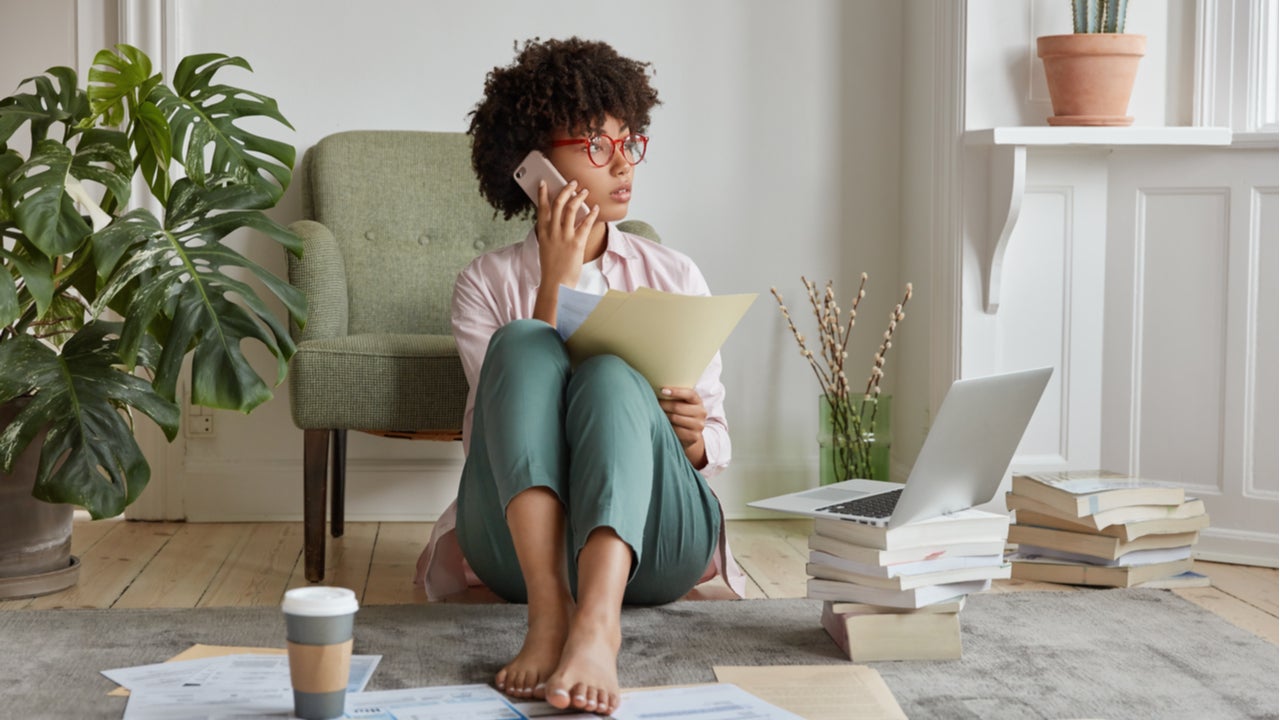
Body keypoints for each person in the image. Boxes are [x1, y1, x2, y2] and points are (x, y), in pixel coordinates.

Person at [414, 37, 745, 715]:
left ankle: (597, 625)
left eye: (630, 142)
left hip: (655, 543)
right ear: (533, 165)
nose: (623, 163)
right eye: (597, 145)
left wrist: (692, 440)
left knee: (611, 377)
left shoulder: (674, 274)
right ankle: (549, 614)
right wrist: (555, 287)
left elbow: (717, 437)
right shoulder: (484, 285)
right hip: (516, 551)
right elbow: (509, 431)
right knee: (523, 344)